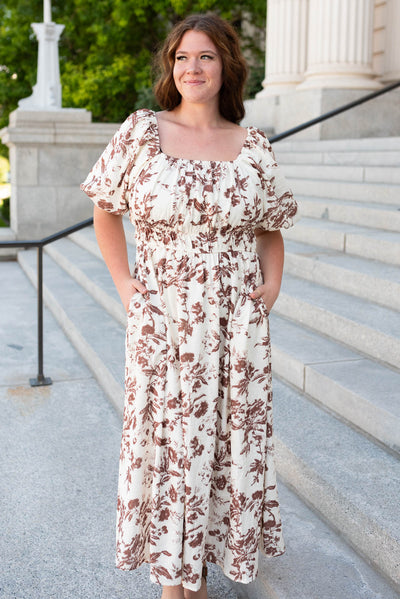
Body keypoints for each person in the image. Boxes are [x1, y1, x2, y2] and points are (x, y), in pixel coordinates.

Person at [81, 13, 297, 599]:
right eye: (181, 57)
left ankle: (199, 565)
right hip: (165, 320)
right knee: (170, 440)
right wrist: (127, 287)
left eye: (204, 56)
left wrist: (271, 287)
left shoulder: (253, 146)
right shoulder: (140, 131)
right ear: (170, 67)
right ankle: (175, 582)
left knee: (226, 440)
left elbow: (271, 226)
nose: (191, 68)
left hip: (235, 325)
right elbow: (105, 207)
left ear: (226, 65)